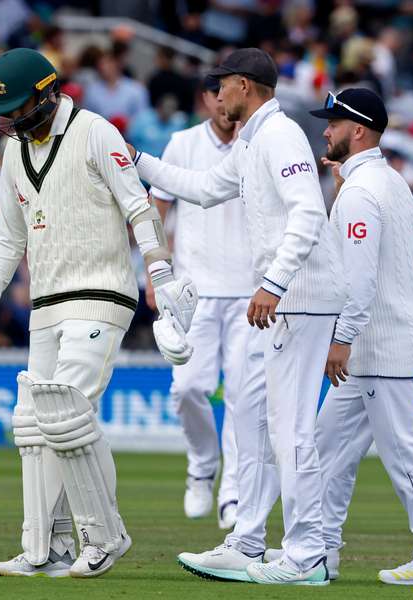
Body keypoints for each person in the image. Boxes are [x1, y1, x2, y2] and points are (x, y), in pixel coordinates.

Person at [0, 47, 197, 578]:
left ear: (48, 94)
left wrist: (159, 274)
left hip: (101, 291)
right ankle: (45, 547)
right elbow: (8, 238)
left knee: (66, 412)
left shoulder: (95, 131)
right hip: (45, 302)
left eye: (21, 107)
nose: (13, 120)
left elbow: (139, 205)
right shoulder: (13, 153)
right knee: (33, 423)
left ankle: (104, 537)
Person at [129, 48, 344, 586]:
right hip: (287, 297)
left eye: (221, 85)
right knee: (260, 424)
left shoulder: (280, 135)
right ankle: (249, 540)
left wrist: (273, 283)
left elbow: (308, 212)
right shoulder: (253, 140)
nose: (216, 93)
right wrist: (131, 159)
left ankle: (307, 556)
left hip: (300, 296)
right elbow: (201, 190)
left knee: (290, 431)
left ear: (244, 86)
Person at [274, 87, 413, 586]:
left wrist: (342, 338)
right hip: (376, 342)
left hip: (380, 343)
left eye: (333, 124)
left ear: (358, 131)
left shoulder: (361, 191)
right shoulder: (381, 179)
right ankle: (322, 552)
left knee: (404, 453)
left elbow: (358, 279)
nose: (325, 131)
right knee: (327, 447)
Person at [148, 76, 246, 530]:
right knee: (187, 389)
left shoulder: (259, 143)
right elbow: (156, 212)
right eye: (217, 96)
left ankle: (234, 492)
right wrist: (154, 273)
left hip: (251, 290)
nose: (224, 105)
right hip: (194, 291)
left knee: (247, 398)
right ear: (207, 98)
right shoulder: (182, 144)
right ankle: (203, 464)